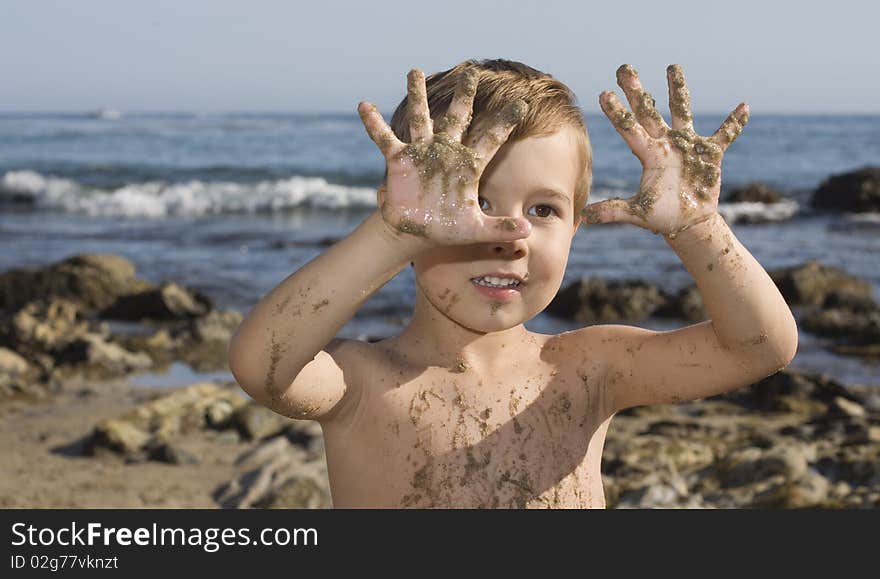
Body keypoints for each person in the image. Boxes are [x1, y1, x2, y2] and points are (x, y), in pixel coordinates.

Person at [227, 59, 798, 508]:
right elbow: (261, 365)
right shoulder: (362, 381)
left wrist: (699, 227)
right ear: (403, 213)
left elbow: (761, 347)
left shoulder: (587, 369)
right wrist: (392, 234)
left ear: (578, 225)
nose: (510, 231)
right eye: (472, 201)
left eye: (545, 209)